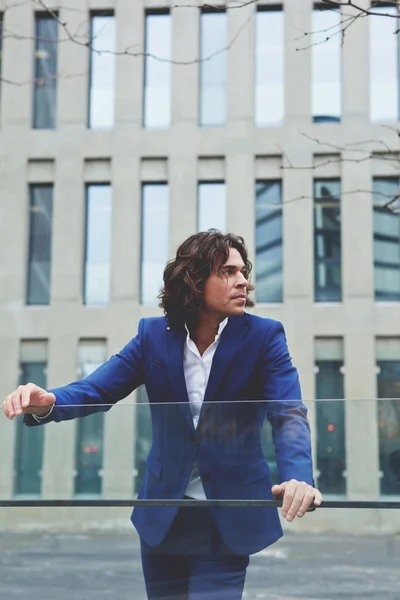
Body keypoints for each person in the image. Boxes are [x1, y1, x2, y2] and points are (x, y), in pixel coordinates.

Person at [2, 231, 322, 600]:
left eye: (242, 271)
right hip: (163, 515)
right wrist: (48, 400)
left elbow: (288, 412)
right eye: (228, 272)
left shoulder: (265, 336)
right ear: (195, 280)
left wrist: (298, 477)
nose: (242, 281)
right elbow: (98, 389)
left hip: (229, 516)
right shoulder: (153, 335)